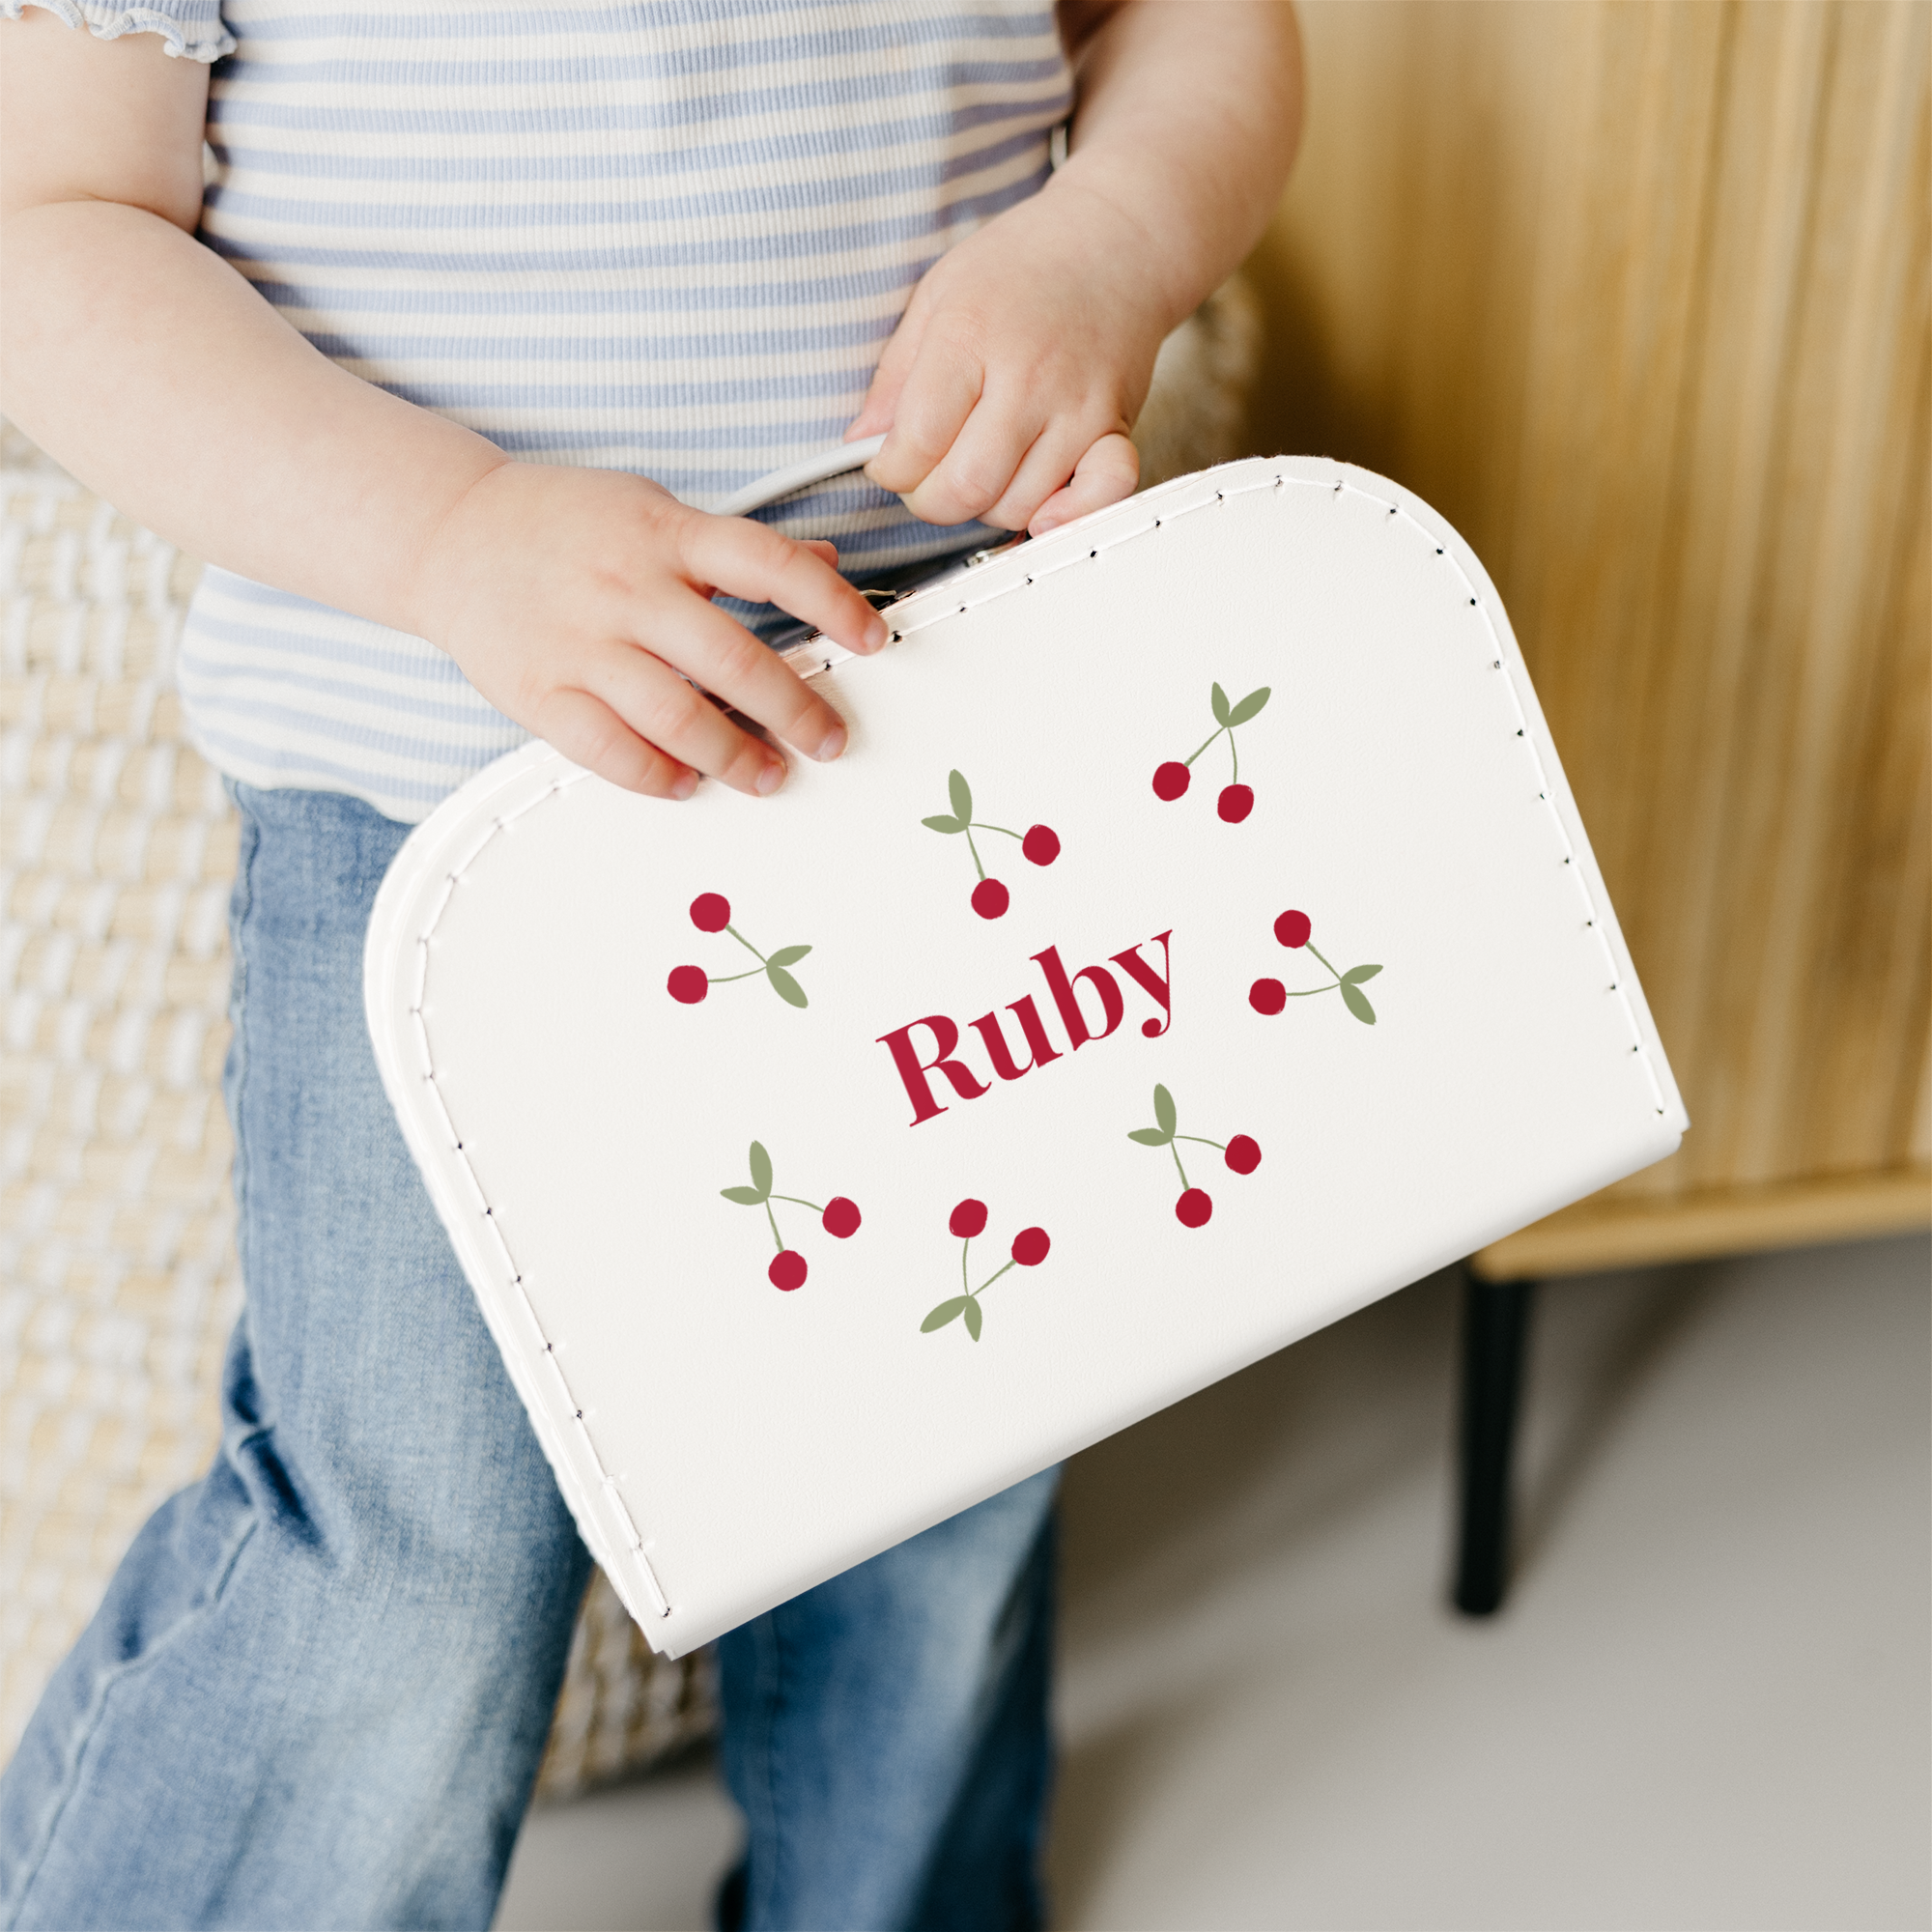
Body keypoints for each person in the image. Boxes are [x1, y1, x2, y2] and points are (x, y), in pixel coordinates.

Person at [0, 2, 1302, 1924]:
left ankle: (901, 1889)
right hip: (425, 809)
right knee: (415, 1555)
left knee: (953, 1432)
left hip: (938, 760)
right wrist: (444, 529)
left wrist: (1108, 240)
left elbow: (1199, 29)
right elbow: (56, 228)